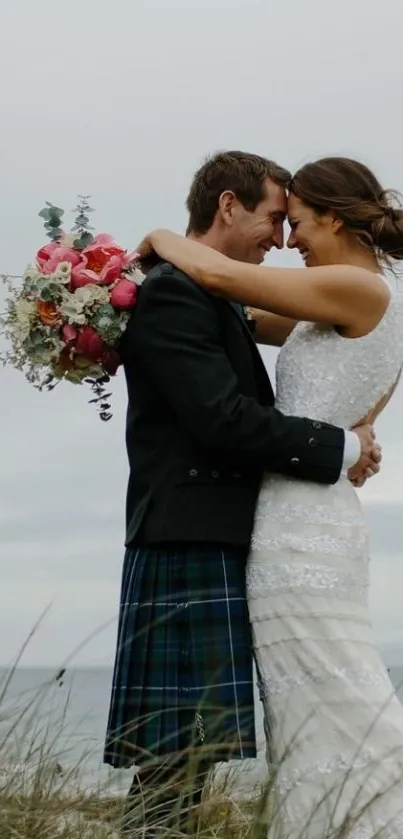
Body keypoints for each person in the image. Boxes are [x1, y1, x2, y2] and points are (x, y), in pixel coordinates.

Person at [104, 152, 378, 837]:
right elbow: (221, 418)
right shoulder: (175, 291)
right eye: (273, 218)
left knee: (189, 754)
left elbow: (252, 300)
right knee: (175, 754)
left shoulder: (211, 291)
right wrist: (342, 446)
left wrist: (355, 428)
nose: (282, 240)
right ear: (228, 205)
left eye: (295, 222)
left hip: (235, 529)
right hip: (191, 530)